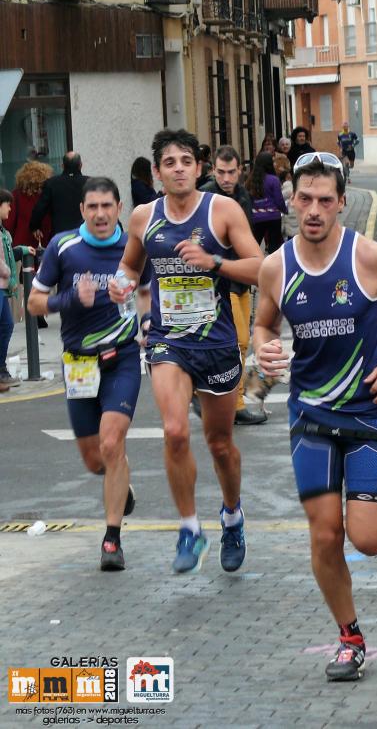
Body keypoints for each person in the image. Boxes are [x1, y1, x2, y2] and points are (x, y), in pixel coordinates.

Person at [253, 151, 377, 681]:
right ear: (291, 200)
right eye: (303, 198)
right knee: (325, 535)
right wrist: (262, 348)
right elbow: (263, 326)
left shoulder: (369, 258)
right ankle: (349, 636)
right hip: (309, 416)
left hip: (368, 415)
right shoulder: (275, 267)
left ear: (341, 204)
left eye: (324, 200)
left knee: (368, 540)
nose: (313, 209)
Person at [109, 129, 263, 575]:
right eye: (169, 162)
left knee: (219, 443)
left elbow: (262, 269)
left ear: (199, 168)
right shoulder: (143, 216)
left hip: (215, 344)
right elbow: (130, 266)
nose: (178, 168)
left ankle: (232, 515)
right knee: (175, 431)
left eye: (186, 161)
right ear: (156, 172)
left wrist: (214, 262)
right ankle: (190, 528)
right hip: (167, 342)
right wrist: (121, 286)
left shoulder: (223, 211)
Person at [27, 177, 152, 571]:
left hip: (123, 359)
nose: (100, 214)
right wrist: (69, 299)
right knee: (95, 459)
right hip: (79, 362)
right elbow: (33, 302)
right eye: (92, 207)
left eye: (107, 206)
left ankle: (111, 540)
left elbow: (148, 292)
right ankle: (119, 481)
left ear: (119, 208)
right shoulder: (63, 248)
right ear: (82, 210)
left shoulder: (132, 248)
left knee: (113, 443)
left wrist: (147, 324)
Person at [200, 145, 266, 426]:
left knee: (241, 342)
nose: (226, 178)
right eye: (221, 172)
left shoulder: (242, 195)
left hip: (241, 278)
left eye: (232, 172)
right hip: (218, 281)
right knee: (235, 341)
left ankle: (223, 400)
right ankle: (232, 404)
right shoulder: (206, 197)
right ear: (213, 170)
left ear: (240, 171)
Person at [0, 189, 34, 390]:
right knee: (4, 326)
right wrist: (8, 274)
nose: (10, 208)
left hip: (3, 288)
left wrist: (21, 250)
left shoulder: (4, 233)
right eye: (7, 204)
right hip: (2, 284)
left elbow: (7, 253)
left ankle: (1, 370)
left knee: (6, 326)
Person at [30, 152, 88, 238]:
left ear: (62, 166)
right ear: (81, 165)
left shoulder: (51, 183)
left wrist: (35, 227)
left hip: (60, 235)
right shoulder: (90, 183)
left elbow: (40, 208)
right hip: (84, 233)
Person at [5, 160, 53, 249]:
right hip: (45, 241)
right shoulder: (48, 195)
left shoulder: (16, 195)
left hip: (22, 244)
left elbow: (9, 223)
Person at [246, 151, 287, 254]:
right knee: (275, 247)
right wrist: (285, 210)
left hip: (256, 217)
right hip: (273, 216)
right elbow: (279, 199)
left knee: (253, 244)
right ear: (268, 164)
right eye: (272, 161)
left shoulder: (250, 180)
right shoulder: (274, 179)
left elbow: (247, 199)